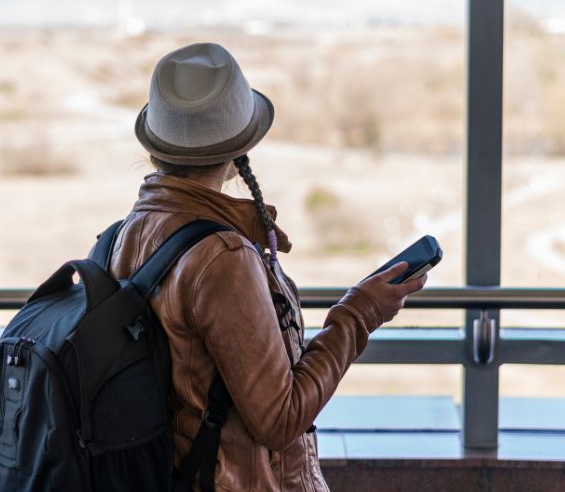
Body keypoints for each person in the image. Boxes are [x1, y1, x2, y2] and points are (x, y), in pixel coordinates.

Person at [108, 42, 427, 491]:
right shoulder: (222, 259)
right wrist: (360, 313)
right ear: (239, 147)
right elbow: (280, 418)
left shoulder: (130, 233)